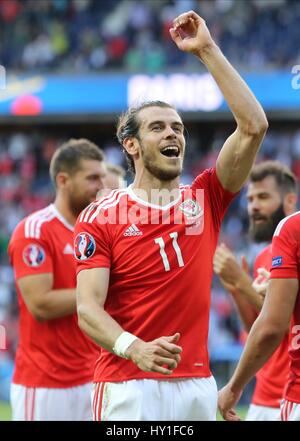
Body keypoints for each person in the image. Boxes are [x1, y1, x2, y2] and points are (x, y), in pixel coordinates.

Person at [74, 10, 268, 421]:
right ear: (131, 145)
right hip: (128, 384)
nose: (172, 135)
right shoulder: (101, 216)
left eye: (178, 128)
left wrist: (207, 50)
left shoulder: (205, 199)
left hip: (197, 386)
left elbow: (253, 126)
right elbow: (88, 310)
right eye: (158, 128)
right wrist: (134, 347)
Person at [8, 139, 106, 421]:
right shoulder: (35, 230)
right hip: (45, 383)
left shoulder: (99, 232)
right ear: (63, 180)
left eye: (101, 176)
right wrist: (98, 292)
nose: (101, 185)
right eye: (92, 178)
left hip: (93, 376)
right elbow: (41, 304)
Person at [214, 161, 297, 420]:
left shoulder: (291, 238)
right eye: (250, 199)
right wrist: (236, 290)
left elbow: (280, 322)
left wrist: (242, 283)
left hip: (285, 393)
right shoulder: (263, 257)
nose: (254, 206)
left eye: (263, 197)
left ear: (289, 200)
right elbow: (254, 326)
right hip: (263, 393)